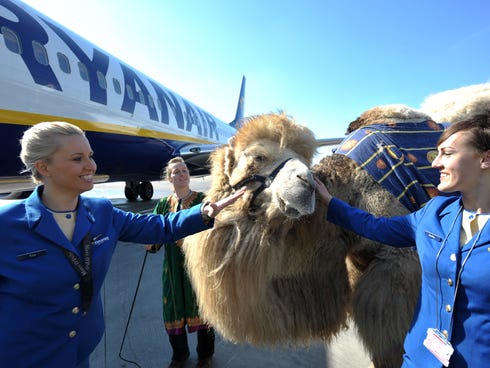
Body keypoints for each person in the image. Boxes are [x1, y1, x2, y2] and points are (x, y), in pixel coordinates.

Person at [0, 121, 245, 368]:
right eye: (77, 158)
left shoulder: (102, 212)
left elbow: (160, 226)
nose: (91, 166)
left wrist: (204, 211)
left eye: (90, 156)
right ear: (44, 167)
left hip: (81, 353)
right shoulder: (6, 225)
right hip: (24, 357)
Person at [314, 114, 490, 367]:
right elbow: (375, 227)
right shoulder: (435, 213)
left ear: (485, 159)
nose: (436, 163)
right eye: (436, 153)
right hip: (419, 359)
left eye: (447, 153)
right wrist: (331, 202)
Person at [146, 157, 214, 368]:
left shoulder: (203, 199)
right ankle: (179, 355)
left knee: (202, 308)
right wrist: (150, 242)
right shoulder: (163, 204)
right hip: (173, 268)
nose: (182, 174)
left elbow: (215, 231)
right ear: (169, 178)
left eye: (184, 170)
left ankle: (205, 355)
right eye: (176, 171)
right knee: (173, 308)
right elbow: (154, 235)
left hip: (199, 267)